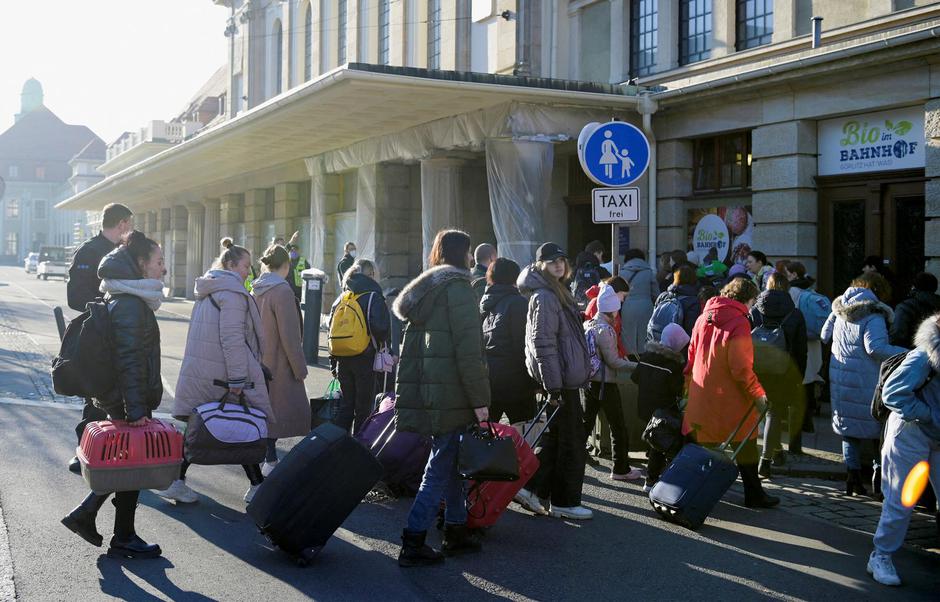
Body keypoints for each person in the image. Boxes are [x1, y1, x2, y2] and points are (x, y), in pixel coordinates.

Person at [61, 231, 165, 559]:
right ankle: (117, 532)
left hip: (119, 396)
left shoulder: (123, 294)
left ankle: (98, 521)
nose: (163, 269)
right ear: (140, 264)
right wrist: (136, 410)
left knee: (127, 463)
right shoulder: (131, 303)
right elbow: (130, 360)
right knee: (133, 462)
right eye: (159, 262)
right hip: (125, 398)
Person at [394, 229, 490, 567]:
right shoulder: (459, 289)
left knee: (450, 464)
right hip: (453, 394)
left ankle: (456, 529)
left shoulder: (425, 292)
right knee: (439, 467)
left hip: (432, 392)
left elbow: (412, 354)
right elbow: (469, 351)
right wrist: (480, 401)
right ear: (464, 255)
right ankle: (413, 539)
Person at [157, 238, 276, 505]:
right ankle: (256, 485)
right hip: (222, 373)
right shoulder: (231, 293)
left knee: (208, 424)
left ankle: (178, 481)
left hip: (204, 368)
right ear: (231, 265)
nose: (250, 271)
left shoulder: (210, 287)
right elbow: (232, 338)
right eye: (246, 266)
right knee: (240, 423)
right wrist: (237, 378)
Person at [683, 278, 779, 509]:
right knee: (745, 445)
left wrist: (687, 386)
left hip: (701, 391)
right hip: (729, 397)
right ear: (748, 299)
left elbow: (691, 355)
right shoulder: (739, 322)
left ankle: (689, 488)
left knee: (702, 446)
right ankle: (754, 494)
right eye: (753, 301)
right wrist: (758, 394)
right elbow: (740, 368)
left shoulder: (702, 317)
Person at [514, 242, 593, 520]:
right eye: (551, 261)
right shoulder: (546, 296)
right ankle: (564, 501)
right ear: (540, 266)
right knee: (570, 442)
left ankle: (533, 489)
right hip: (561, 381)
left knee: (557, 439)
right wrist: (553, 385)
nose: (558, 264)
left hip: (563, 379)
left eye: (561, 259)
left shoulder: (555, 291)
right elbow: (542, 343)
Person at [867, 313, 940, 586]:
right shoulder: (924, 356)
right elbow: (893, 392)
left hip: (935, 433)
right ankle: (881, 556)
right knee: (901, 501)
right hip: (910, 433)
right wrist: (930, 415)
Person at [822, 272, 907, 496]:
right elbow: (876, 348)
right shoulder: (874, 315)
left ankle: (853, 479)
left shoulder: (839, 308)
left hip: (841, 379)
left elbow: (824, 335)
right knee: (878, 431)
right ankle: (878, 483)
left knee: (849, 432)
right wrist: (908, 354)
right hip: (866, 381)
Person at [65, 202, 134, 474]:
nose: (131, 229)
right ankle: (84, 450)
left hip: (119, 334)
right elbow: (75, 298)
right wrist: (105, 307)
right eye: (130, 224)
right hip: (96, 335)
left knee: (117, 395)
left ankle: (110, 451)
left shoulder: (124, 252)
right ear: (122, 224)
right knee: (96, 395)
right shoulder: (90, 251)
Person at [251, 244, 311, 476]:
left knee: (265, 413)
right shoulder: (283, 291)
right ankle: (271, 461)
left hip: (259, 360)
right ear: (286, 266)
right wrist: (300, 367)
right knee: (287, 413)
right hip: (279, 363)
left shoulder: (256, 289)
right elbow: (290, 336)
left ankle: (269, 459)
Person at [750, 273, 807, 475]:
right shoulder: (795, 314)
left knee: (761, 411)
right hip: (783, 371)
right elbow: (801, 350)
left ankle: (771, 451)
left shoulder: (755, 311)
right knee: (775, 413)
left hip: (756, 369)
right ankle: (766, 459)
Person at [582, 286, 640, 481]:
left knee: (585, 424)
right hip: (606, 383)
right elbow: (613, 361)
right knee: (618, 427)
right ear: (614, 310)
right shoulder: (605, 330)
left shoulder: (588, 325)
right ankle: (621, 468)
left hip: (590, 382)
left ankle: (572, 459)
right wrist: (635, 366)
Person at [332, 258, 390, 434]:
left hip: (342, 358)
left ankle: (338, 445)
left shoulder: (343, 297)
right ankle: (358, 448)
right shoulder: (373, 296)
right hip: (365, 357)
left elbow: (332, 331)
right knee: (363, 407)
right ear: (371, 274)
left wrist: (332, 363)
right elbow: (380, 328)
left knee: (346, 406)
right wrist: (388, 349)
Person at [633, 323, 689, 492]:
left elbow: (635, 377)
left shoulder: (647, 356)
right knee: (659, 445)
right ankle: (651, 481)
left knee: (653, 441)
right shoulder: (673, 366)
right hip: (662, 411)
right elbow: (677, 390)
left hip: (644, 406)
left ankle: (652, 472)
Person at [480, 258, 536, 423]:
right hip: (516, 381)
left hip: (489, 380)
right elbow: (522, 345)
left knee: (488, 435)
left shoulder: (484, 304)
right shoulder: (518, 303)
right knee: (524, 435)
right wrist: (533, 381)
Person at [620, 248, 659, 355]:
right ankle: (644, 359)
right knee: (645, 335)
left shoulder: (622, 272)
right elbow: (656, 294)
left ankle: (631, 360)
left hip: (628, 307)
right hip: (646, 306)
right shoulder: (649, 272)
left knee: (628, 336)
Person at [649, 264, 701, 339]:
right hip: (678, 343)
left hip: (659, 338)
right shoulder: (693, 301)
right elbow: (690, 327)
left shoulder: (663, 296)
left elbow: (654, 319)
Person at [890, 272, 940, 349]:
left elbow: (897, 335)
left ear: (913, 287)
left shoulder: (905, 306)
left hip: (911, 354)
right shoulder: (937, 304)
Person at [287, 232, 310, 304]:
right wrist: (291, 240)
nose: (293, 252)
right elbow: (283, 250)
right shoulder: (286, 261)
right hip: (289, 290)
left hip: (300, 291)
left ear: (298, 251)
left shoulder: (303, 261)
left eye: (295, 250)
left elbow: (309, 273)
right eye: (291, 250)